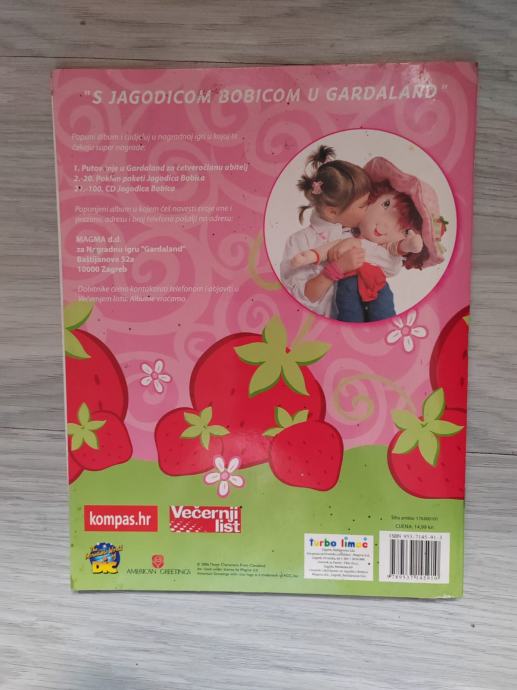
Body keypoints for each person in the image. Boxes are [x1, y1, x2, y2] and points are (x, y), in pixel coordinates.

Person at [290, 156, 447, 322]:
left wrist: (407, 245)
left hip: (377, 284)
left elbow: (394, 258)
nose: (384, 226)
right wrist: (312, 256)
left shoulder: (385, 251)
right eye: (386, 204)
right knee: (350, 313)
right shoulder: (343, 235)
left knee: (383, 313)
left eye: (405, 230)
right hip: (346, 284)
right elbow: (331, 248)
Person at [279, 145, 371, 318]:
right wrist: (336, 269)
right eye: (362, 206)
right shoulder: (300, 241)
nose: (368, 209)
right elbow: (301, 297)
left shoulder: (359, 233)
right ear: (332, 212)